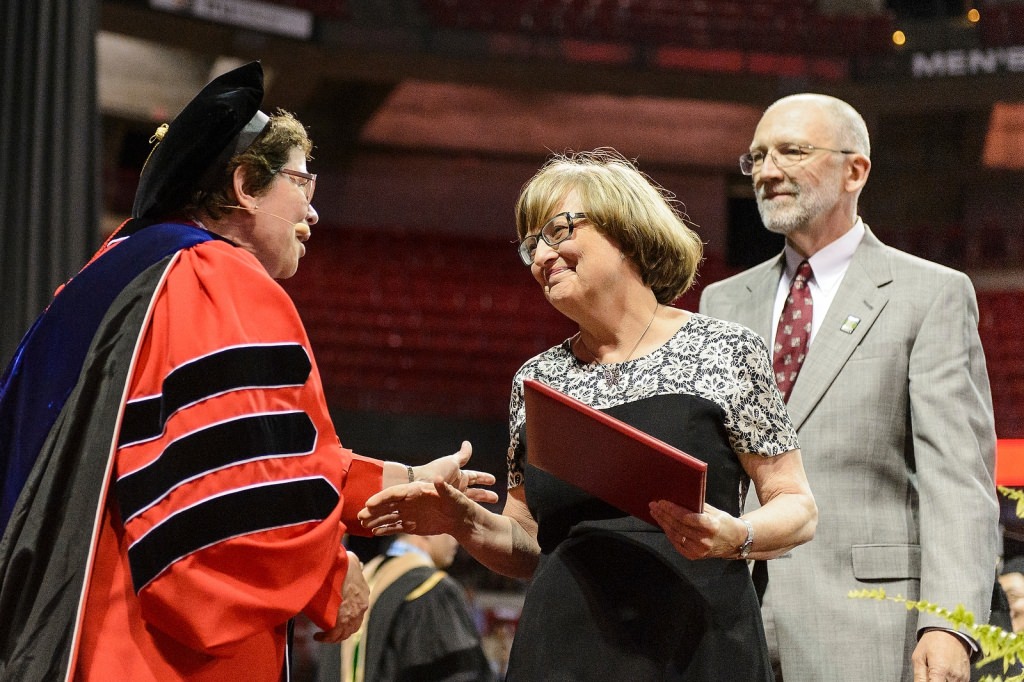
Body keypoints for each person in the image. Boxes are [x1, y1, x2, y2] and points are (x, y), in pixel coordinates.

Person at [0, 61, 496, 681]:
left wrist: (403, 479)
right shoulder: (218, 280)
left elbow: (250, 453)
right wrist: (326, 574)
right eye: (301, 184)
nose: (312, 214)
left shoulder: (108, 276)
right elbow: (224, 502)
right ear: (243, 185)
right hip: (159, 656)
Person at [359, 148, 818, 680]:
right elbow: (528, 541)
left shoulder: (725, 349)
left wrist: (735, 536)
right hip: (563, 652)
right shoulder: (537, 380)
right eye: (531, 245)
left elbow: (797, 506)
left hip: (698, 644)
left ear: (626, 228)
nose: (540, 257)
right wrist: (461, 520)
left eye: (557, 231)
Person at [699, 93, 999, 682]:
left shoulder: (930, 294)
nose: (767, 171)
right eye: (756, 157)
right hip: (729, 620)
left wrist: (952, 621)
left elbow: (957, 479)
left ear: (854, 170)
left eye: (792, 151)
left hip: (870, 625)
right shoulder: (722, 302)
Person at [340, 533, 493, 681]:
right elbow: (463, 675)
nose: (457, 539)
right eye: (451, 527)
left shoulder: (363, 578)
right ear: (428, 528)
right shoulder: (432, 590)